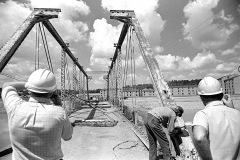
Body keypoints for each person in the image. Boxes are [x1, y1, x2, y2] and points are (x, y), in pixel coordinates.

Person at [1, 68, 73, 160]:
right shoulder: (60, 113)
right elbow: (68, 137)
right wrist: (58, 105)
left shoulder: (15, 107)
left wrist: (31, 84)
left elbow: (7, 85)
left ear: (29, 90)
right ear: (52, 93)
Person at [192, 76, 240, 160]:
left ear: (202, 97)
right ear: (221, 94)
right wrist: (232, 109)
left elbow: (199, 137)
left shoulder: (203, 114)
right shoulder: (236, 113)